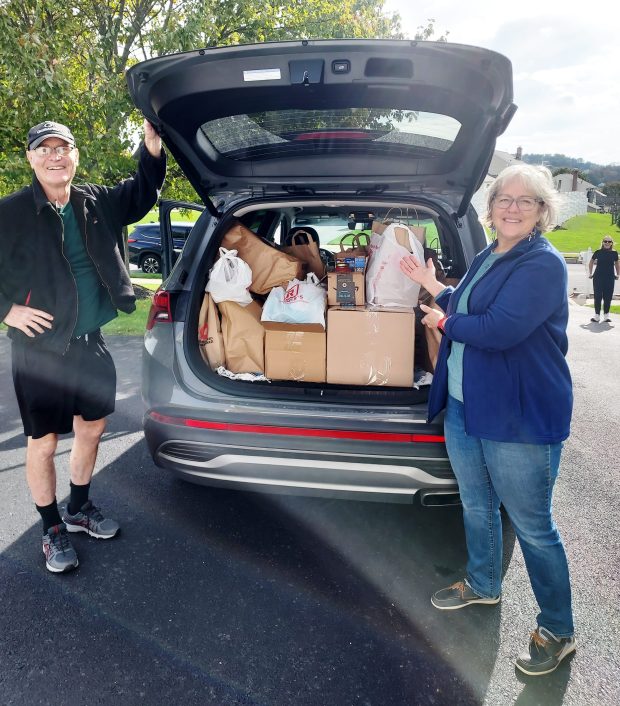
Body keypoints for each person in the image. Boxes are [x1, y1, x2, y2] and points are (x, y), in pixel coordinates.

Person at [400, 164, 575, 677]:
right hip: (466, 406)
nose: (513, 207)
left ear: (543, 211)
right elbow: (471, 302)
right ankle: (482, 584)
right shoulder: (488, 253)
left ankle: (558, 629)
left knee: (534, 526)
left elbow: (498, 329)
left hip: (518, 416)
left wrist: (442, 320)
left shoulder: (542, 264)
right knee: (477, 506)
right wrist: (434, 286)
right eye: (504, 198)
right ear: (492, 206)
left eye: (526, 201)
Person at [0, 119, 165, 573]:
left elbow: (141, 194)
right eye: (44, 149)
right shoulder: (10, 212)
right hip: (39, 351)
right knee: (44, 442)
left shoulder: (95, 202)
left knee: (92, 427)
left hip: (90, 343)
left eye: (63, 148)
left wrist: (151, 149)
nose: (55, 156)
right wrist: (7, 311)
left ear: (75, 156)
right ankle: (51, 528)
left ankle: (78, 508)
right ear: (31, 159)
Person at [588, 235, 619, 322]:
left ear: (612, 243)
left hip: (610, 278)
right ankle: (597, 316)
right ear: (602, 242)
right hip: (598, 277)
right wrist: (590, 273)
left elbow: (617, 264)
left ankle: (606, 316)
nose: (607, 243)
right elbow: (591, 262)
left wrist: (618, 274)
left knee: (608, 297)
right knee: (598, 296)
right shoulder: (598, 252)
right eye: (605, 241)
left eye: (609, 241)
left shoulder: (614, 253)